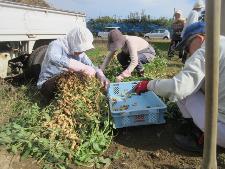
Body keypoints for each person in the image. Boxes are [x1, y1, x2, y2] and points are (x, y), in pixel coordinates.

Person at [134, 22, 225, 151]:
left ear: (199, 38)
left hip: (222, 131)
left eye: (187, 49)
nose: (187, 53)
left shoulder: (208, 48)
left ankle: (199, 137)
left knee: (185, 94)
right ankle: (198, 128)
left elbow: (178, 88)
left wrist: (149, 84)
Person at [37, 26, 109, 101]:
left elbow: (92, 66)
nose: (81, 51)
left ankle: (72, 99)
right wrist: (82, 67)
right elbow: (53, 57)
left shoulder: (81, 54)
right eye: (80, 48)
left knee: (88, 75)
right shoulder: (56, 45)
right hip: (47, 84)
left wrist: (101, 75)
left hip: (64, 86)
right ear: (73, 41)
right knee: (76, 75)